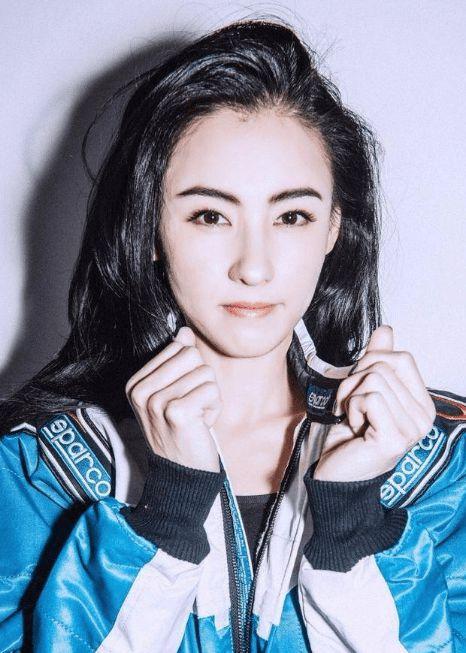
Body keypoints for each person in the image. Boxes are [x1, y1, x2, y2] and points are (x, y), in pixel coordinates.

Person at [0, 17, 464, 653]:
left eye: (291, 215)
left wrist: (354, 522)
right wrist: (167, 513)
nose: (254, 267)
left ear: (333, 229)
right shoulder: (37, 474)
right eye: (210, 215)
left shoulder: (440, 470)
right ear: (150, 230)